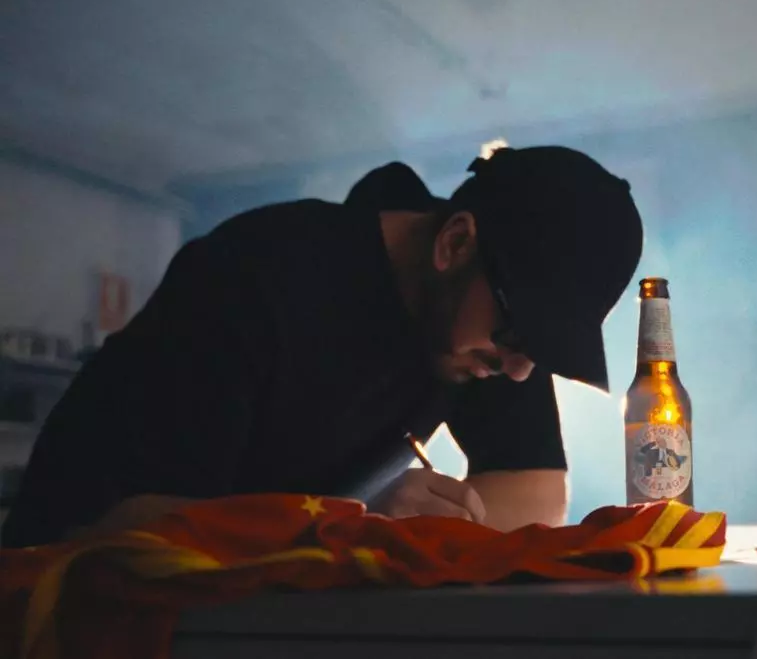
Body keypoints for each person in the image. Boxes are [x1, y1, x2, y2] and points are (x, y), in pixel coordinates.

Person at [1, 146, 644, 547]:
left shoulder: (481, 325)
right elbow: (131, 527)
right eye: (517, 334)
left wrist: (414, 533)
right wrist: (352, 527)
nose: (520, 368)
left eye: (541, 349)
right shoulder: (256, 279)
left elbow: (536, 496)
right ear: (454, 243)